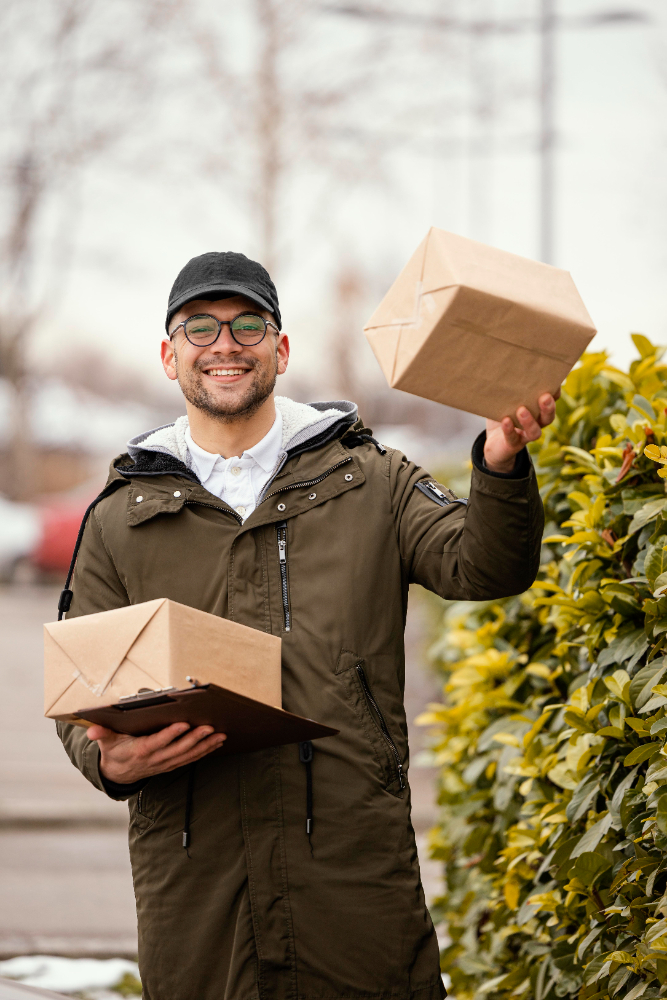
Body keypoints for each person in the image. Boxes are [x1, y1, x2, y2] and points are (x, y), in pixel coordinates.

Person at [57, 251, 555, 1000]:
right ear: (169, 356)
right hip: (196, 881)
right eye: (200, 327)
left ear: (281, 350)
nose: (225, 344)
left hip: (353, 869)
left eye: (248, 324)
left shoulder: (373, 479)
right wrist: (107, 763)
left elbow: (482, 568)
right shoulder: (120, 518)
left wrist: (500, 460)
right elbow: (78, 683)